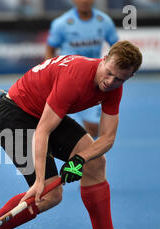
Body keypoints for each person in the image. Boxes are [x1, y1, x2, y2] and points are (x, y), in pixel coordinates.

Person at [0, 41, 153, 229]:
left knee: (95, 163)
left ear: (130, 76)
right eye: (109, 74)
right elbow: (42, 130)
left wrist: (79, 160)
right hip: (14, 117)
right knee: (49, 195)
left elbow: (107, 139)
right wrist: (40, 181)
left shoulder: (115, 86)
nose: (110, 82)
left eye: (120, 79)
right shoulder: (75, 78)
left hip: (43, 113)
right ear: (104, 59)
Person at [45, 0, 119, 138]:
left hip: (92, 81)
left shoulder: (104, 21)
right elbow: (50, 49)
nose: (84, 1)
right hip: (66, 80)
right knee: (53, 125)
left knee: (93, 128)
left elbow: (116, 47)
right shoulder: (62, 23)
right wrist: (51, 74)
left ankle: (82, 158)